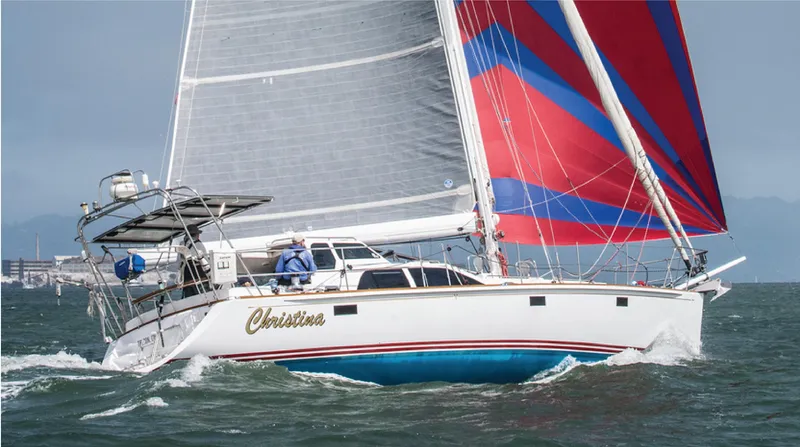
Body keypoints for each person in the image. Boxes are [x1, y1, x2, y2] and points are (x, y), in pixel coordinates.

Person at [182, 224, 209, 297]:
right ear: (197, 234)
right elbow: (206, 262)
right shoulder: (199, 245)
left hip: (187, 280)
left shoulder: (181, 245)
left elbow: (178, 264)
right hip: (199, 278)